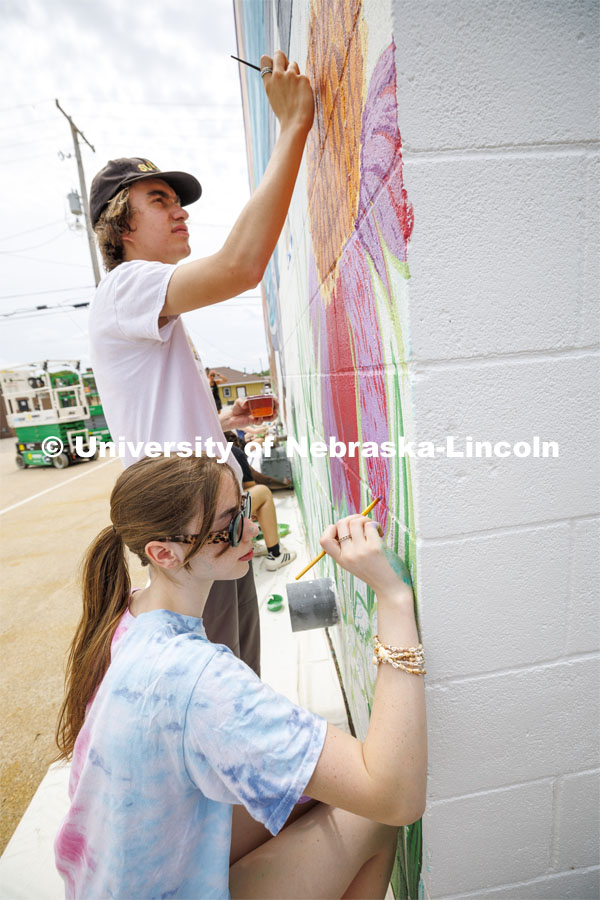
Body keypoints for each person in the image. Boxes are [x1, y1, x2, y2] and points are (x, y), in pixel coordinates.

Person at [54, 453, 427, 900]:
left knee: (319, 792)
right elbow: (396, 797)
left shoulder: (129, 614)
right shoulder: (200, 678)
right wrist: (392, 598)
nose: (251, 530)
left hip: (112, 880)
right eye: (230, 525)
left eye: (245, 509)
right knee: (373, 815)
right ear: (163, 553)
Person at [86, 50, 314, 675]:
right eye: (159, 200)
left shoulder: (151, 306)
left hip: (213, 521)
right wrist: (294, 126)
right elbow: (242, 266)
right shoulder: (126, 286)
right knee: (219, 697)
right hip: (190, 530)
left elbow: (162, 422)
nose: (179, 210)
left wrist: (223, 424)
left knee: (237, 676)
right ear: (120, 226)